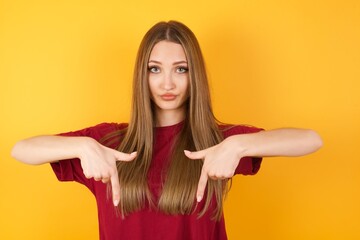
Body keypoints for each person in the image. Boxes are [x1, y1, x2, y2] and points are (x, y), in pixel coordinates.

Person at [11, 20, 323, 240]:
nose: (168, 83)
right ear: (142, 76)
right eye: (155, 69)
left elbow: (310, 140)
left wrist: (238, 146)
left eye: (181, 69)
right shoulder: (108, 142)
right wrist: (81, 148)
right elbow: (21, 149)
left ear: (194, 75)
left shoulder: (216, 142)